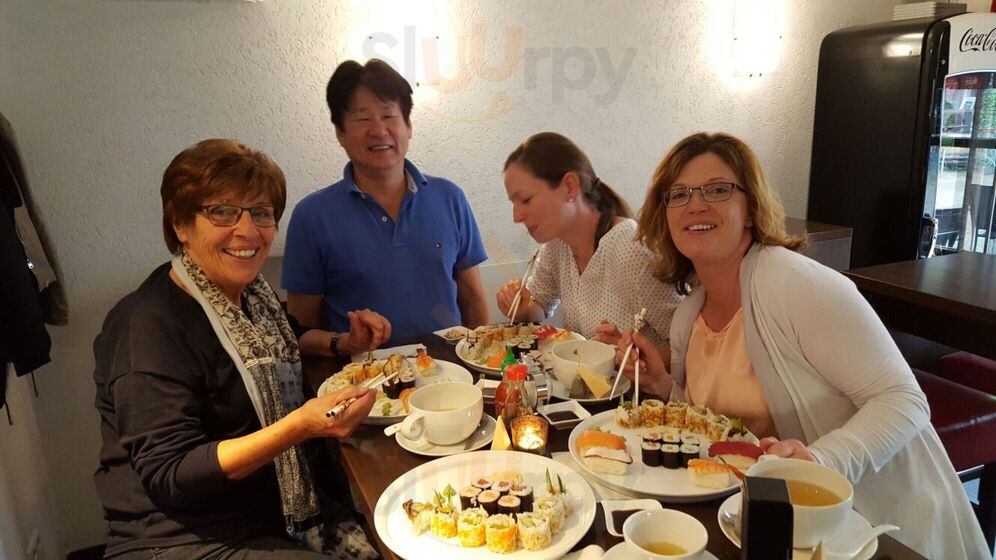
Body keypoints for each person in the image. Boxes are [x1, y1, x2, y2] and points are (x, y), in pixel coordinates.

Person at [618, 131, 989, 558]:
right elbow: (716, 425)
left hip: (881, 526)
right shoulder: (689, 315)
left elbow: (904, 400)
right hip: (784, 530)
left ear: (751, 208)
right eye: (679, 194)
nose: (695, 205)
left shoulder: (793, 285)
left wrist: (819, 461)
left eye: (717, 190)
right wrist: (663, 385)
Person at [92, 139, 382, 559]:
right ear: (180, 224)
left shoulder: (250, 298)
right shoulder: (147, 325)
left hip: (260, 512)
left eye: (261, 213)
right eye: (222, 211)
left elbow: (287, 334)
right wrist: (300, 427)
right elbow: (171, 472)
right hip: (183, 538)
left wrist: (343, 342)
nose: (247, 230)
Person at [283, 59, 489, 345]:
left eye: (389, 115)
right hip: (362, 368)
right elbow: (300, 331)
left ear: (409, 126)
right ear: (340, 133)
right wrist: (343, 343)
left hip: (450, 368)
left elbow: (473, 299)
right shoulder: (312, 216)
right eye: (363, 118)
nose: (379, 130)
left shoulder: (450, 198)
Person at [496, 132, 682, 348]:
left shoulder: (632, 249)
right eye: (514, 203)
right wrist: (522, 310)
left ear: (570, 186)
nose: (516, 216)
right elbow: (539, 305)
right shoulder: (557, 244)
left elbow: (687, 344)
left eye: (526, 199)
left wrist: (632, 353)